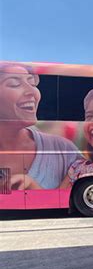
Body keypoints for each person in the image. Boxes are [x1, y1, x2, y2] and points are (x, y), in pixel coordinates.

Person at [0, 62, 81, 190]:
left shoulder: (62, 150)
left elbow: (68, 206)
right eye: (14, 84)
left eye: (32, 84)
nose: (32, 91)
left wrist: (34, 188)